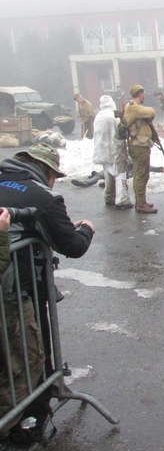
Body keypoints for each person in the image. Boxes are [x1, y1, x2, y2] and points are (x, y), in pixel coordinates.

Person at [0, 143, 95, 446]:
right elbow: (73, 247)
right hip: (16, 291)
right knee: (25, 360)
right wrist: (86, 230)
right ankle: (20, 425)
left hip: (13, 284)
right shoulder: (44, 196)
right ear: (48, 171)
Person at [93, 95, 133, 210]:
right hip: (115, 149)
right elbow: (121, 130)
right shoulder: (113, 115)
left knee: (108, 172)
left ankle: (109, 196)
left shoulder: (98, 116)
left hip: (102, 150)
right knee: (120, 174)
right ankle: (122, 199)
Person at [124, 84, 158, 214]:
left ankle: (141, 201)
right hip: (138, 145)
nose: (144, 96)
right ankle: (141, 203)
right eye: (143, 94)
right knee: (141, 174)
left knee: (142, 173)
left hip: (142, 144)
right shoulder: (132, 107)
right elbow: (151, 112)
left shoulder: (135, 107)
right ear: (140, 94)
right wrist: (151, 111)